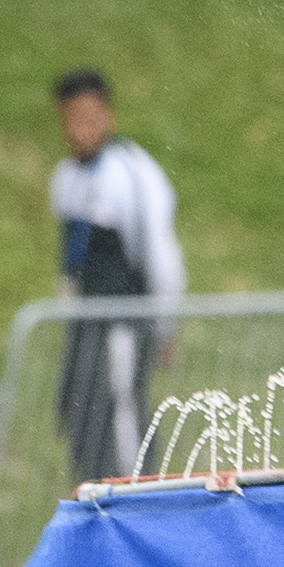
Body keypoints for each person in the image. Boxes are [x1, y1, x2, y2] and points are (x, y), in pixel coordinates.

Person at [45, 68, 185, 485]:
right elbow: (72, 262)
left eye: (89, 116)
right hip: (86, 327)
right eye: (70, 118)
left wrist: (165, 324)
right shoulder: (66, 178)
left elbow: (161, 254)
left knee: (124, 414)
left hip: (123, 324)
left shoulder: (131, 174)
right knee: (82, 416)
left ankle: (139, 504)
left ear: (108, 116)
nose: (79, 128)